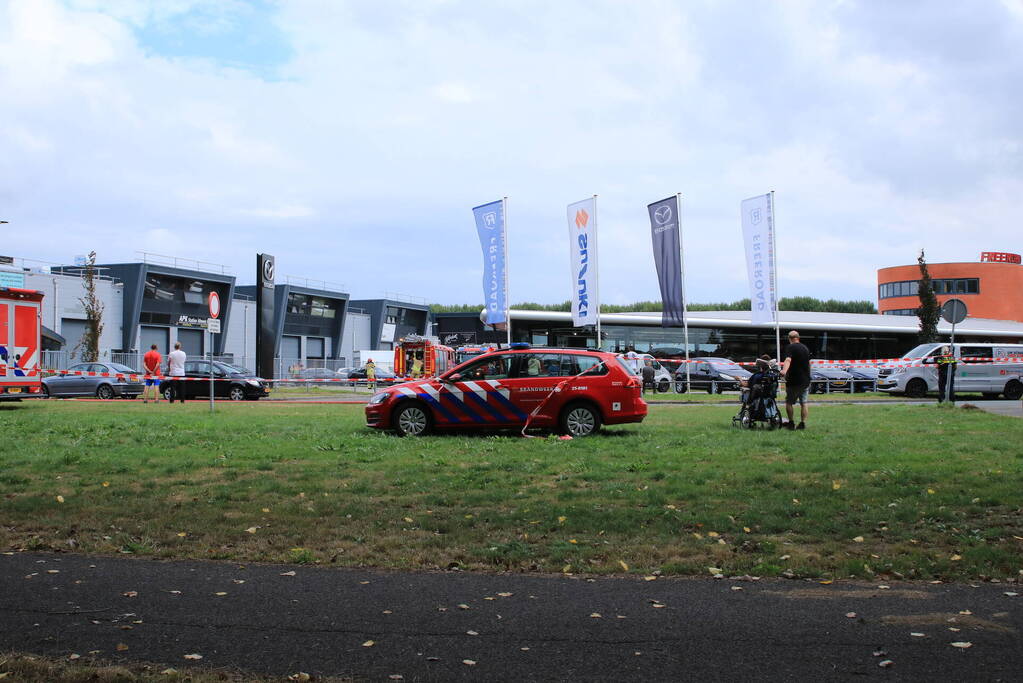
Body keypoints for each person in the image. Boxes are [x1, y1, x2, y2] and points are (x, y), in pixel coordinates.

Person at [781, 330, 811, 430]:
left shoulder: (790, 347)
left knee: (789, 402)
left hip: (794, 380)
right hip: (805, 380)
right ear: (798, 338)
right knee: (804, 403)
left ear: (790, 339)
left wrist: (784, 371)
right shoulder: (805, 348)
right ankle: (802, 424)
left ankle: (791, 423)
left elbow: (788, 359)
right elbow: (808, 363)